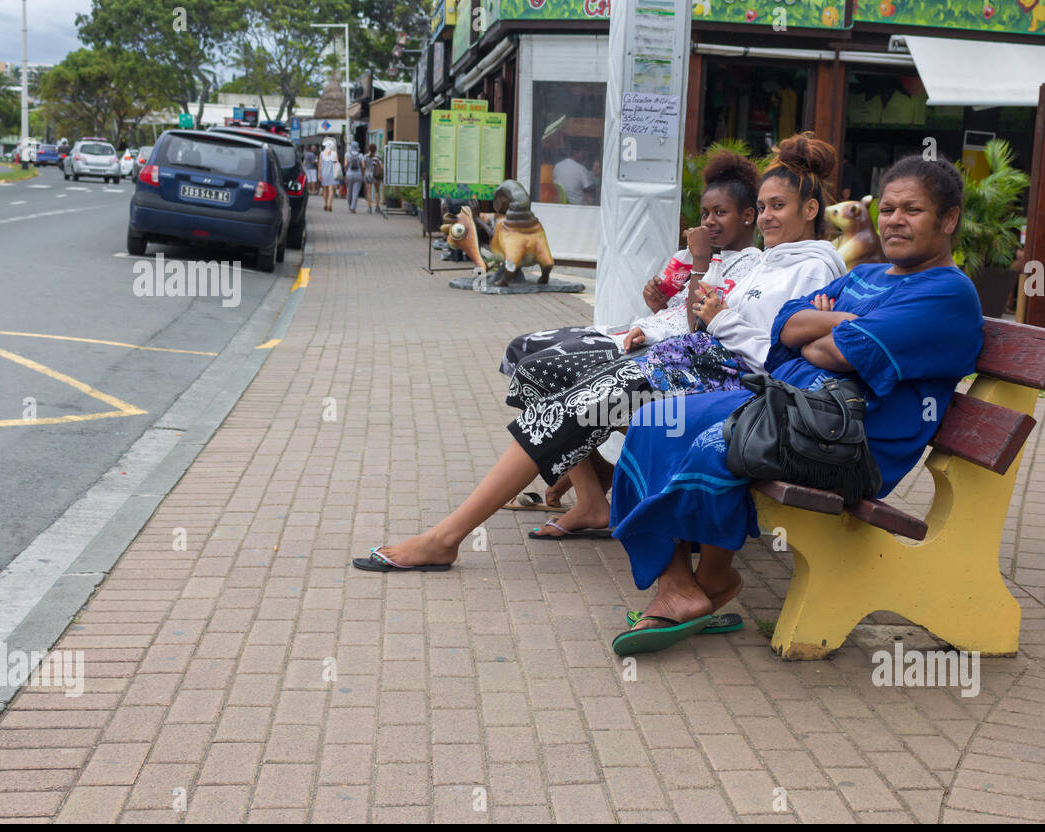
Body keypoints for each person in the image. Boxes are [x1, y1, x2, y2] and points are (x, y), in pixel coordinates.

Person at [352, 133, 845, 571]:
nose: (767, 217)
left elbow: (776, 357)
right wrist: (695, 310)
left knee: (583, 399)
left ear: (810, 209)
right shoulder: (768, 262)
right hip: (690, 361)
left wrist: (719, 318)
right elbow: (704, 316)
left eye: (778, 206)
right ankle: (476, 527)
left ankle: (447, 537)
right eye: (763, 206)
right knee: (559, 385)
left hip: (730, 384)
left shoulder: (814, 270)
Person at [605, 154, 986, 655]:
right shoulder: (869, 274)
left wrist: (825, 326)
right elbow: (786, 326)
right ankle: (682, 585)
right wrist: (836, 325)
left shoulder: (947, 294)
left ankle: (709, 580)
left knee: (707, 441)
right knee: (657, 419)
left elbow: (832, 350)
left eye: (912, 210)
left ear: (949, 218)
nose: (894, 220)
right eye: (888, 208)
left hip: (847, 440)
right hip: (792, 406)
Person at [500, 149, 763, 514]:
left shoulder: (753, 266)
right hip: (649, 334)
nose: (709, 221)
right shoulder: (701, 255)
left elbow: (698, 326)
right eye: (705, 213)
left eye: (721, 213)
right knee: (524, 348)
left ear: (748, 216)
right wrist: (659, 302)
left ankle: (591, 495)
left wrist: (700, 260)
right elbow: (678, 312)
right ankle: (592, 481)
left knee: (544, 368)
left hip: (678, 359)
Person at [364, 142, 386, 217]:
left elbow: (363, 166)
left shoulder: (365, 156)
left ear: (369, 149)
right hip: (375, 175)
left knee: (368, 192)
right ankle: (377, 207)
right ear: (376, 149)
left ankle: (369, 208)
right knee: (377, 191)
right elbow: (382, 167)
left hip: (367, 175)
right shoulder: (378, 157)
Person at [344, 141, 364, 213]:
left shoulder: (347, 154)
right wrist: (362, 173)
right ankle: (353, 207)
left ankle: (350, 205)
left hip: (349, 174)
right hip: (358, 175)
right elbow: (363, 166)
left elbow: (345, 165)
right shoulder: (360, 155)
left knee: (349, 191)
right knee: (355, 192)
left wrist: (346, 171)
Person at [320, 139, 338, 211]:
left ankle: (325, 203)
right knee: (331, 189)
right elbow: (336, 163)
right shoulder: (334, 153)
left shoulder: (321, 154)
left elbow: (320, 165)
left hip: (324, 173)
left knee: (324, 189)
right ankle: (330, 204)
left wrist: (319, 174)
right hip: (331, 173)